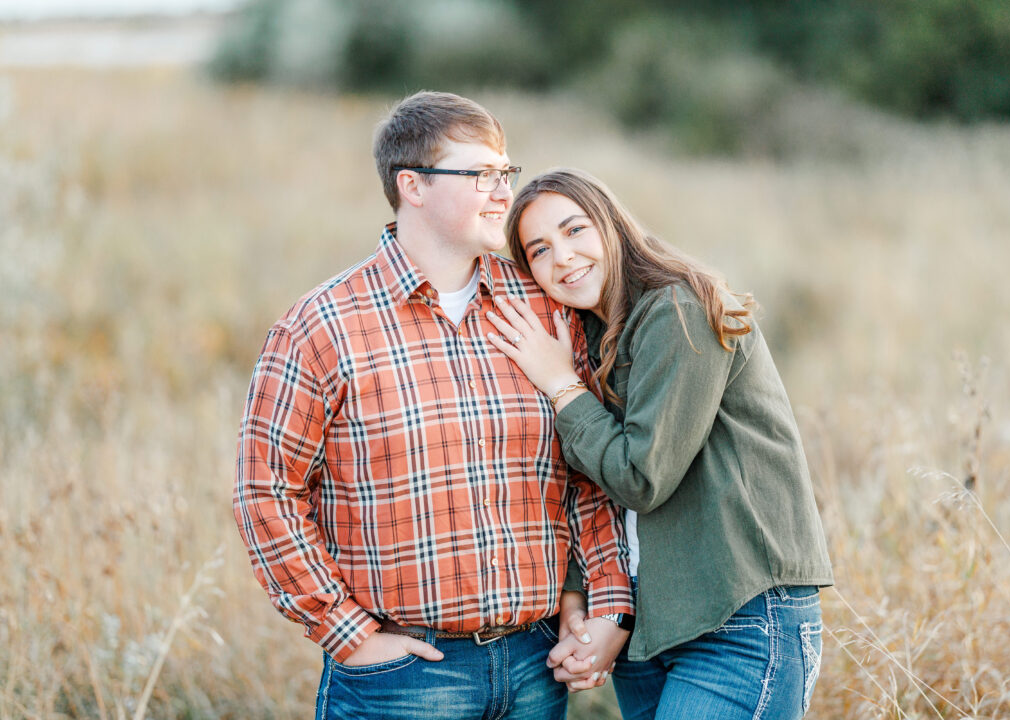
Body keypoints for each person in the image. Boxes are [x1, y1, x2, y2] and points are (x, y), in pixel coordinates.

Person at [233, 96, 633, 720]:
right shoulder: (322, 327)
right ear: (412, 186)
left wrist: (609, 604)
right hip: (404, 680)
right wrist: (350, 635)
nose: (503, 191)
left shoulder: (544, 307)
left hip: (536, 665)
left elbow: (586, 471)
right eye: (479, 175)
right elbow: (265, 493)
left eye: (506, 172)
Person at [486, 168, 835, 719]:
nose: (564, 258)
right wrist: (578, 597)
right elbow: (582, 482)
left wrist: (562, 387)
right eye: (540, 250)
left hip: (736, 613)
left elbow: (640, 477)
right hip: (651, 623)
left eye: (576, 231)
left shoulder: (678, 311)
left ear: (612, 226)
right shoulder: (587, 337)